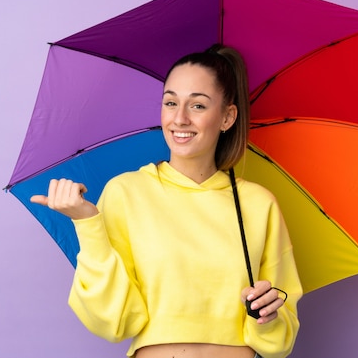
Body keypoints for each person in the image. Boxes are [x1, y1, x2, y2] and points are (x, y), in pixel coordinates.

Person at [30, 45, 303, 358]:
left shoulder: (258, 204)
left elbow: (279, 343)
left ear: (227, 117)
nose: (180, 118)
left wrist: (267, 317)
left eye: (198, 106)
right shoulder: (125, 193)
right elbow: (113, 322)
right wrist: (86, 223)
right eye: (170, 102)